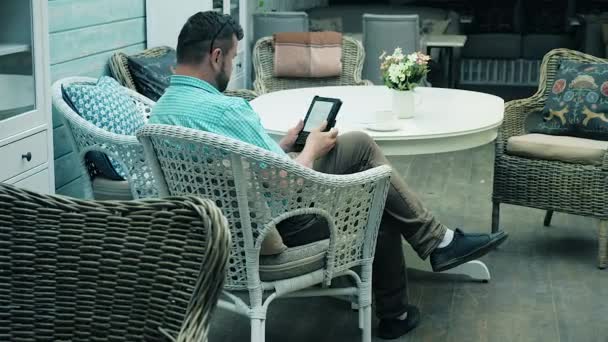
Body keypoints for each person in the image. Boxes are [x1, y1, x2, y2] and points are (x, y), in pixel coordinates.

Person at [149, 11, 508, 340]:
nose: (233, 65)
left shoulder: (161, 112)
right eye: (232, 58)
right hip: (272, 227)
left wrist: (285, 146)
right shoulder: (227, 110)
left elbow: (243, 166)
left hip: (215, 234)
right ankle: (409, 290)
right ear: (215, 56)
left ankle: (433, 249)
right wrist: (310, 149)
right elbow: (287, 184)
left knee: (356, 146)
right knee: (373, 193)